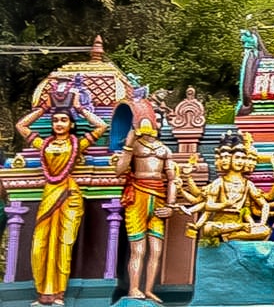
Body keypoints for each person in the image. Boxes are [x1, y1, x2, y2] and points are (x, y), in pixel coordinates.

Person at [16, 86, 108, 306]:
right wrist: (43, 109)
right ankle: (42, 294)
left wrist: (79, 108)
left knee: (64, 244)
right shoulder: (43, 144)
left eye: (63, 120)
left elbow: (102, 126)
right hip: (49, 195)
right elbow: (21, 125)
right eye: (55, 120)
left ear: (71, 124)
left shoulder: (77, 143)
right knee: (40, 245)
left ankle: (58, 294)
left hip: (69, 197)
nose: (58, 123)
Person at [115, 95, 176, 302]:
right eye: (153, 119)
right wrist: (129, 145)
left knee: (156, 250)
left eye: (159, 120)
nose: (155, 124)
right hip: (138, 197)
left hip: (158, 197)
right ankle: (133, 288)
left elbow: (173, 180)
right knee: (138, 249)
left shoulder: (164, 150)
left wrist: (171, 205)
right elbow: (119, 170)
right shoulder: (135, 146)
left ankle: (149, 289)